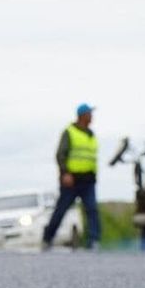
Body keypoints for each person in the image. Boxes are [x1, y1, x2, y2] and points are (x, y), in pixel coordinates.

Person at [42, 104, 100, 250]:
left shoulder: (91, 135)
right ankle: (47, 238)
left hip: (88, 181)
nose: (91, 117)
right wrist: (65, 173)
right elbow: (60, 154)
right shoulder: (69, 132)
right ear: (82, 116)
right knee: (61, 210)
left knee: (92, 210)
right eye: (89, 114)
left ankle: (93, 240)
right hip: (71, 181)